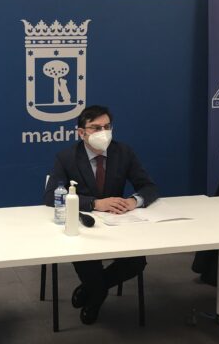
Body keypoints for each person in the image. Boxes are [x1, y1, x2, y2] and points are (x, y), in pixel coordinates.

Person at [43, 105, 158, 325]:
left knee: (136, 262)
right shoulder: (66, 157)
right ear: (81, 132)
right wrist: (95, 203)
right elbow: (51, 196)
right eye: (96, 128)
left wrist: (134, 201)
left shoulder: (123, 153)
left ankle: (93, 289)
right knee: (86, 259)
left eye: (107, 127)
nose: (103, 132)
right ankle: (96, 296)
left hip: (119, 223)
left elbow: (149, 187)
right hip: (85, 225)